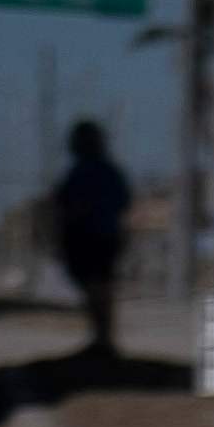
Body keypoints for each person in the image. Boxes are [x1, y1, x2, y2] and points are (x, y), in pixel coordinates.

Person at [47, 121, 134, 363]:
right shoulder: (98, 172)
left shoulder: (91, 172)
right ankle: (101, 338)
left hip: (93, 238)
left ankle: (103, 339)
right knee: (98, 289)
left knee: (99, 290)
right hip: (97, 238)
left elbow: (66, 207)